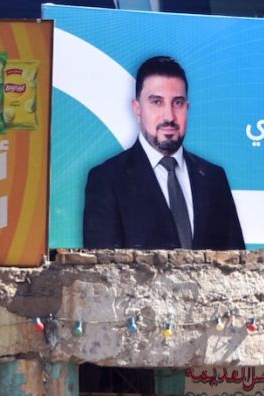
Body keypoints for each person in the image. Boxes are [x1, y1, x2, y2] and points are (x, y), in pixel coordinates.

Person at [82, 55, 246, 250]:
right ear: (137, 109)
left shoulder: (214, 178)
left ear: (187, 108)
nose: (169, 116)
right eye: (157, 102)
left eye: (177, 103)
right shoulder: (107, 179)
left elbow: (237, 266)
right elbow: (103, 272)